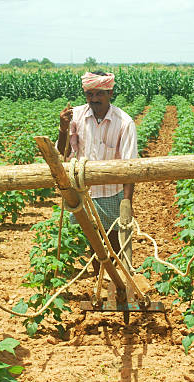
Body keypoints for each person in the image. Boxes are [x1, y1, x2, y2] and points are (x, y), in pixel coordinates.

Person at [57, 71, 137, 276]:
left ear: (110, 93)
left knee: (114, 242)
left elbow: (130, 167)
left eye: (99, 94)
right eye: (90, 94)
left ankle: (118, 283)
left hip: (112, 194)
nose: (94, 99)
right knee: (92, 243)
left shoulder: (124, 122)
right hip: (84, 193)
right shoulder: (77, 117)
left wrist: (126, 203)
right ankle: (99, 281)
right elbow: (63, 153)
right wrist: (63, 128)